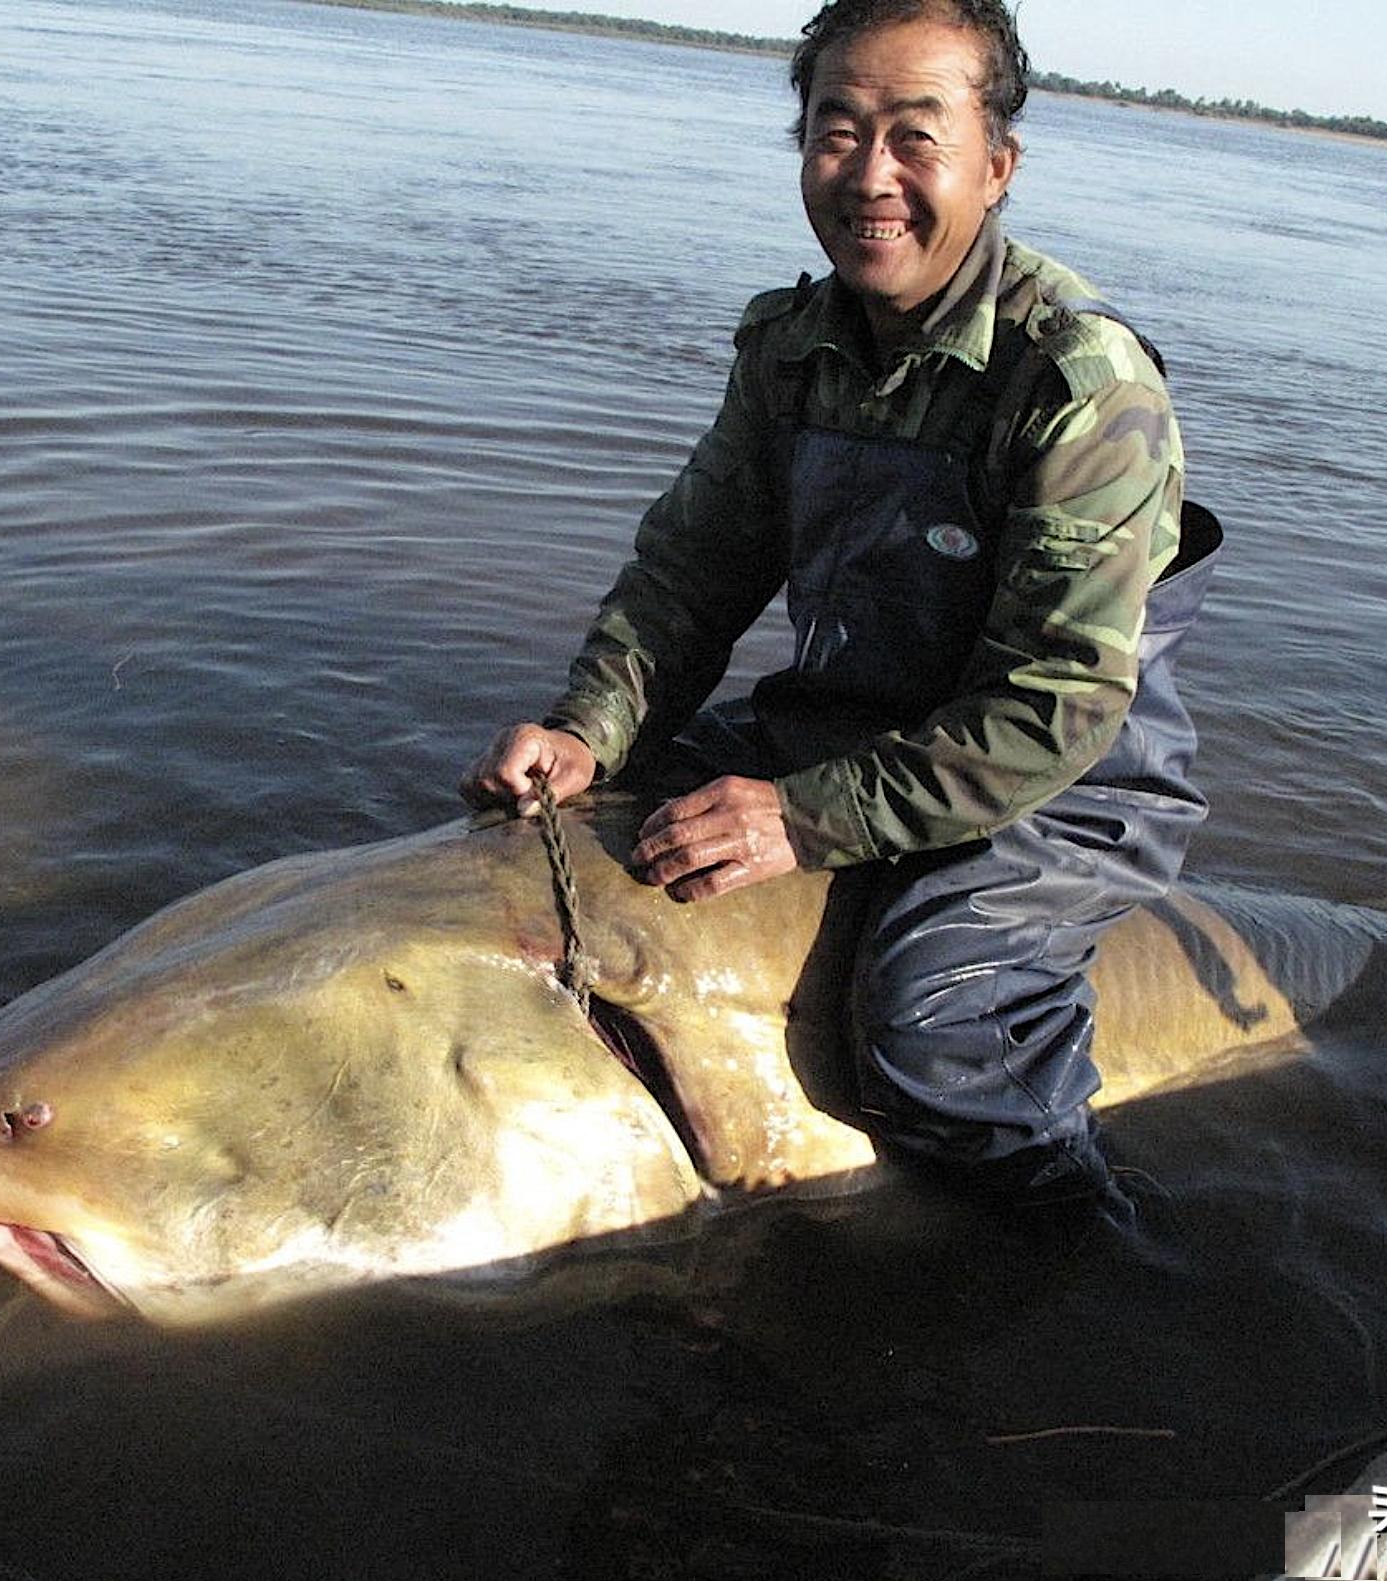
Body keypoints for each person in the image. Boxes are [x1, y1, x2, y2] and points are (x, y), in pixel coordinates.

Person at [461, 0, 1219, 1207]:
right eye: (836, 131)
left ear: (996, 163)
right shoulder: (790, 346)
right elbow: (685, 580)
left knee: (927, 1039)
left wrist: (802, 822)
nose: (871, 177)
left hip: (1065, 787)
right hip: (847, 730)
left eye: (915, 137)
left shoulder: (1078, 382)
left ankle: (1076, 1245)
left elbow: (1058, 705)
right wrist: (586, 731)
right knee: (535, 826)